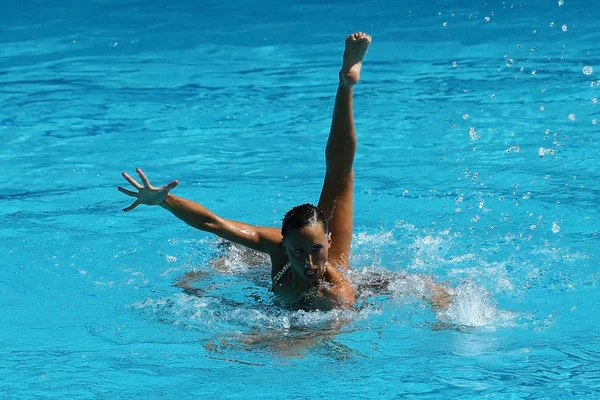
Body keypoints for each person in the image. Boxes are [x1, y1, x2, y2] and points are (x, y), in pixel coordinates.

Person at [119, 32, 450, 311]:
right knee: (231, 248)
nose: (308, 263)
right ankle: (345, 85)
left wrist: (274, 344)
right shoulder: (273, 246)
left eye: (315, 250)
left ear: (328, 240)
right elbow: (212, 223)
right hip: (277, 264)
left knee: (340, 175)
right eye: (298, 252)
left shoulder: (335, 291)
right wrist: (163, 200)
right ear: (283, 244)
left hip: (341, 276)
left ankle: (346, 84)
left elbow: (331, 336)